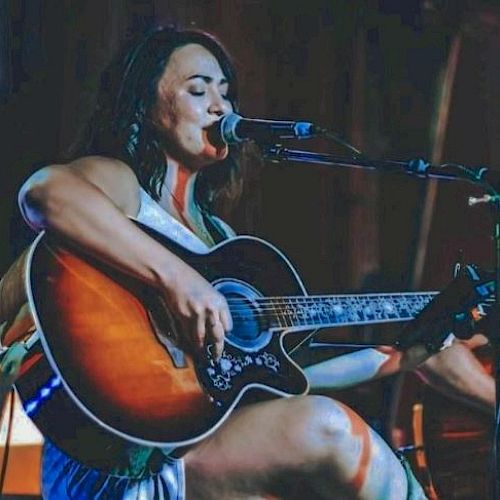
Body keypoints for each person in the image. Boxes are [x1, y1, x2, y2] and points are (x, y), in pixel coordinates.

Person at [6, 26, 493, 499]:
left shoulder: (223, 243)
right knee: (329, 427)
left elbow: (279, 376)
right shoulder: (122, 185)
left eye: (226, 91)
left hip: (199, 449)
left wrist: (400, 359)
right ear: (146, 109)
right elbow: (45, 193)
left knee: (322, 432)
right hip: (122, 469)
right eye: (198, 90)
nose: (222, 106)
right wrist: (178, 280)